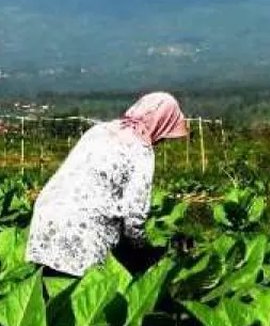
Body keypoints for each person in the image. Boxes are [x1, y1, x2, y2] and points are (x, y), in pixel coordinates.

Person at [26, 92, 188, 278]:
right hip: (84, 229)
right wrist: (142, 250)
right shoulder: (141, 149)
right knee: (83, 294)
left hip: (46, 216)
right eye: (166, 134)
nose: (163, 141)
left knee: (49, 292)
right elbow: (135, 213)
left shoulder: (100, 130)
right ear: (161, 123)